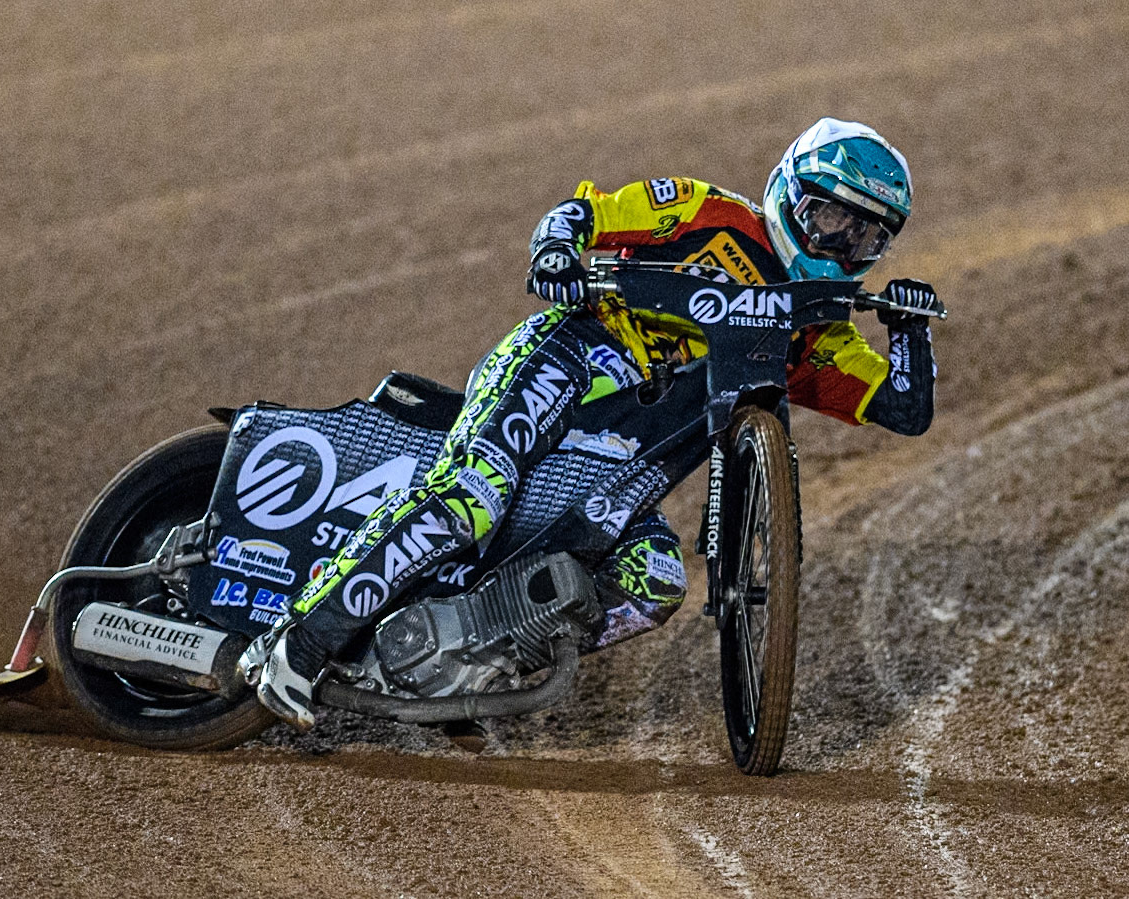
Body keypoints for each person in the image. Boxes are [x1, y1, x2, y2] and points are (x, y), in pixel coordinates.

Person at [241, 117, 940, 731]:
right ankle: (298, 641)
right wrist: (555, 254)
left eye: (865, 237)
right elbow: (583, 214)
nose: (841, 244)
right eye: (829, 219)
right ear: (788, 194)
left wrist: (908, 328)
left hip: (619, 471)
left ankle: (467, 660)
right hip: (569, 361)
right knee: (474, 494)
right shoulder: (709, 214)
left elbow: (903, 409)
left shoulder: (815, 334)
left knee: (657, 577)